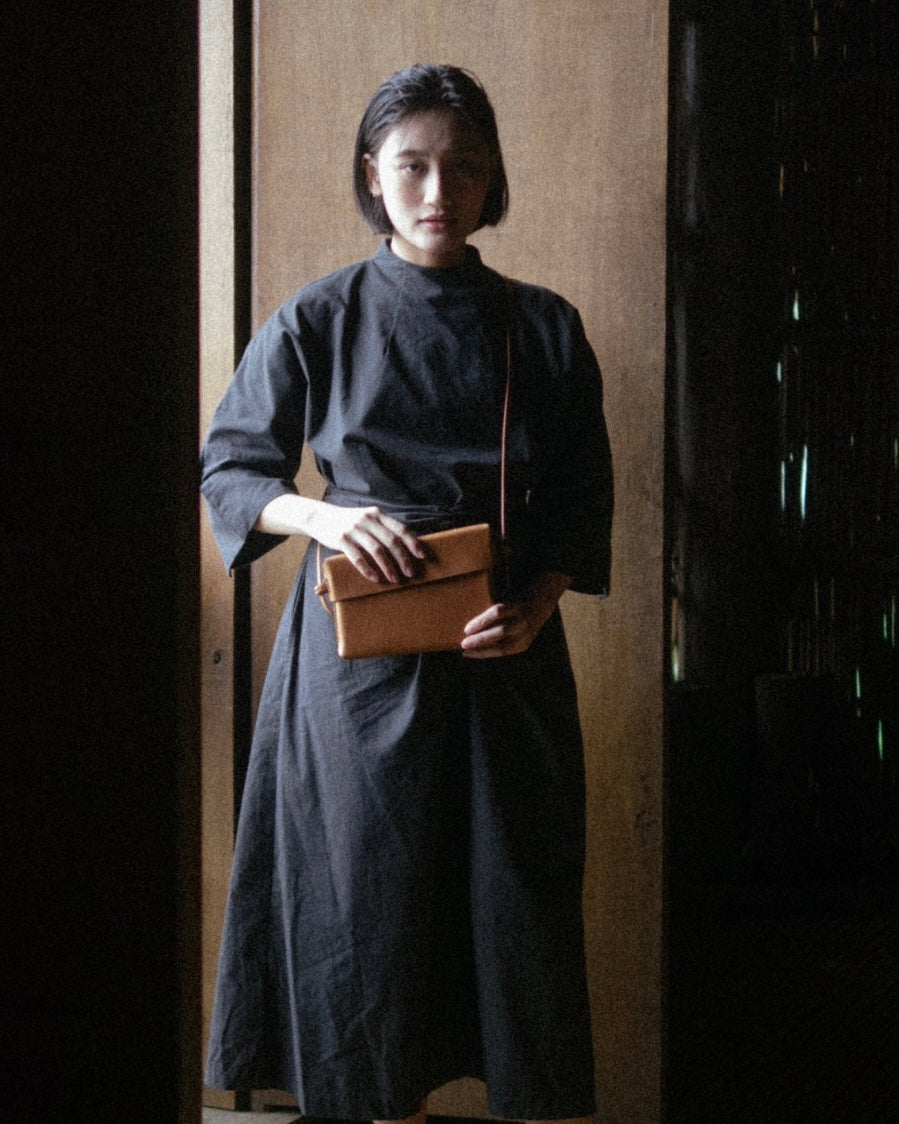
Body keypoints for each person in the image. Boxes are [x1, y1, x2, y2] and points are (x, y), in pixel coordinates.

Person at [201, 63, 613, 1124]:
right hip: (352, 671)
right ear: (373, 176)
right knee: (363, 912)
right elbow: (231, 472)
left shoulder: (547, 327)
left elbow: (575, 505)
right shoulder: (318, 317)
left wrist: (533, 605)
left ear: (491, 183)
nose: (439, 188)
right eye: (414, 164)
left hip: (501, 657)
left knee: (507, 906)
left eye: (464, 167)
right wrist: (327, 516)